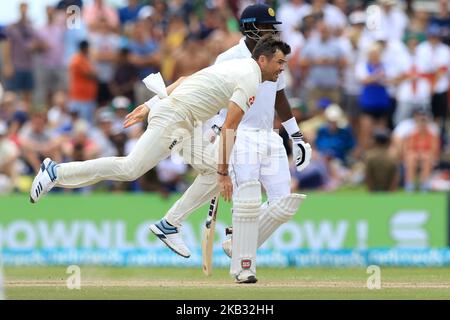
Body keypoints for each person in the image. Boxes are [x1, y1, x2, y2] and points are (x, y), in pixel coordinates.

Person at [29, 36, 303, 231]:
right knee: (130, 169)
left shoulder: (235, 67)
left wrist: (149, 104)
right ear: (263, 59)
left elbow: (185, 81)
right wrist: (223, 175)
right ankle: (56, 172)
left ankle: (169, 225)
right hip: (175, 118)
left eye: (284, 64)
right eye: (279, 62)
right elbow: (230, 127)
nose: (282, 69)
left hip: (186, 120)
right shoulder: (249, 78)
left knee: (213, 169)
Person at [128, 4, 312, 284]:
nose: (271, 32)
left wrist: (295, 134)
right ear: (250, 28)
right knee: (247, 202)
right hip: (240, 135)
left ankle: (237, 240)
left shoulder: (273, 55)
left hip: (269, 135)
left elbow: (279, 97)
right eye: (266, 27)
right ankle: (244, 267)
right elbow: (203, 88)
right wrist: (212, 128)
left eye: (272, 28)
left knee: (284, 204)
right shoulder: (229, 57)